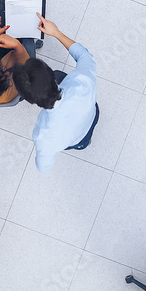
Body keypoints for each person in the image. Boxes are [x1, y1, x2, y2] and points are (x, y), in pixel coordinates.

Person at [12, 15, 98, 174]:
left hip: (77, 138)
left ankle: (84, 143)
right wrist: (56, 33)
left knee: (83, 141)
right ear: (50, 75)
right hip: (92, 112)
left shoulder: (44, 136)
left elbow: (43, 168)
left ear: (30, 100)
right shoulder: (83, 81)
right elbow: (85, 56)